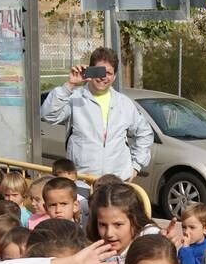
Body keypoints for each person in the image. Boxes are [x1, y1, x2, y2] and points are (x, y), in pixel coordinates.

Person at [39, 47, 152, 182]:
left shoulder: (124, 104)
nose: (103, 77)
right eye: (99, 71)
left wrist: (135, 167)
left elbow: (145, 133)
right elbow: (48, 115)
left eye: (109, 73)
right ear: (90, 71)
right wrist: (69, 84)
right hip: (82, 180)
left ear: (115, 76)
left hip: (116, 182)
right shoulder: (75, 98)